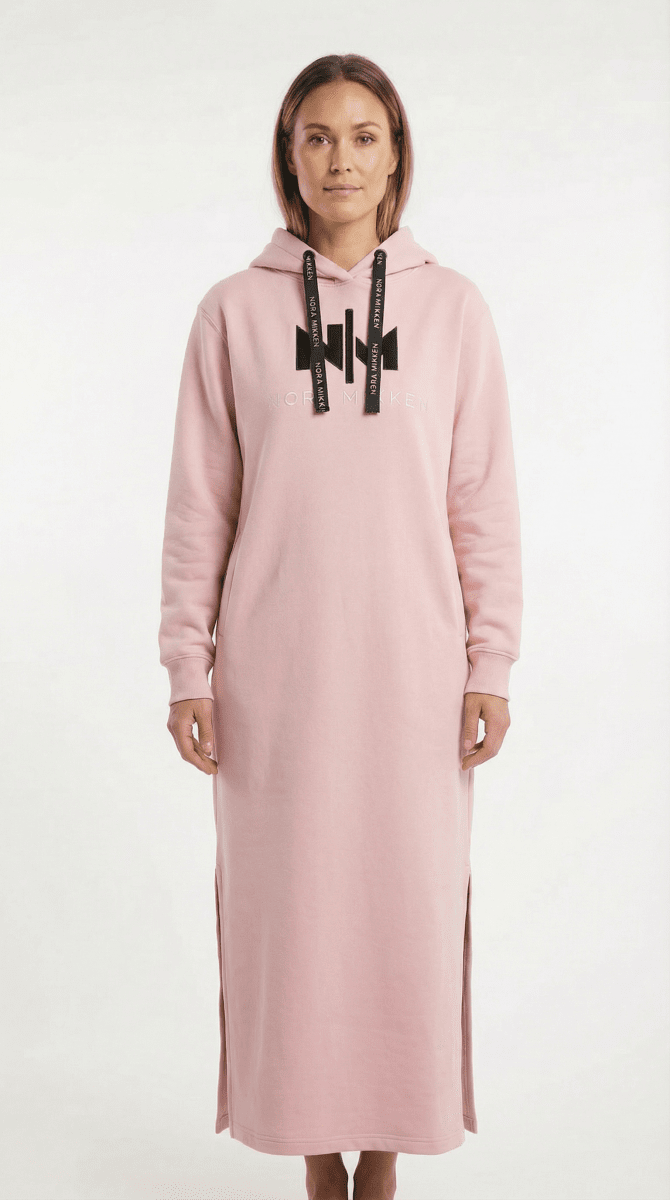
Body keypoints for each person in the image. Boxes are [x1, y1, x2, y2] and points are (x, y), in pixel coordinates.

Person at [158, 53, 523, 1200]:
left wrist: (490, 661)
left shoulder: (452, 310)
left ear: (397, 154)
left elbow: (481, 501)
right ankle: (318, 1158)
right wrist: (188, 668)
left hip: (415, 674)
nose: (341, 160)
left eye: (364, 136)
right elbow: (200, 507)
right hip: (276, 679)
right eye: (317, 137)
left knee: (406, 911)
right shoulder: (233, 313)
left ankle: (388, 1159)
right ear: (288, 155)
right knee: (295, 917)